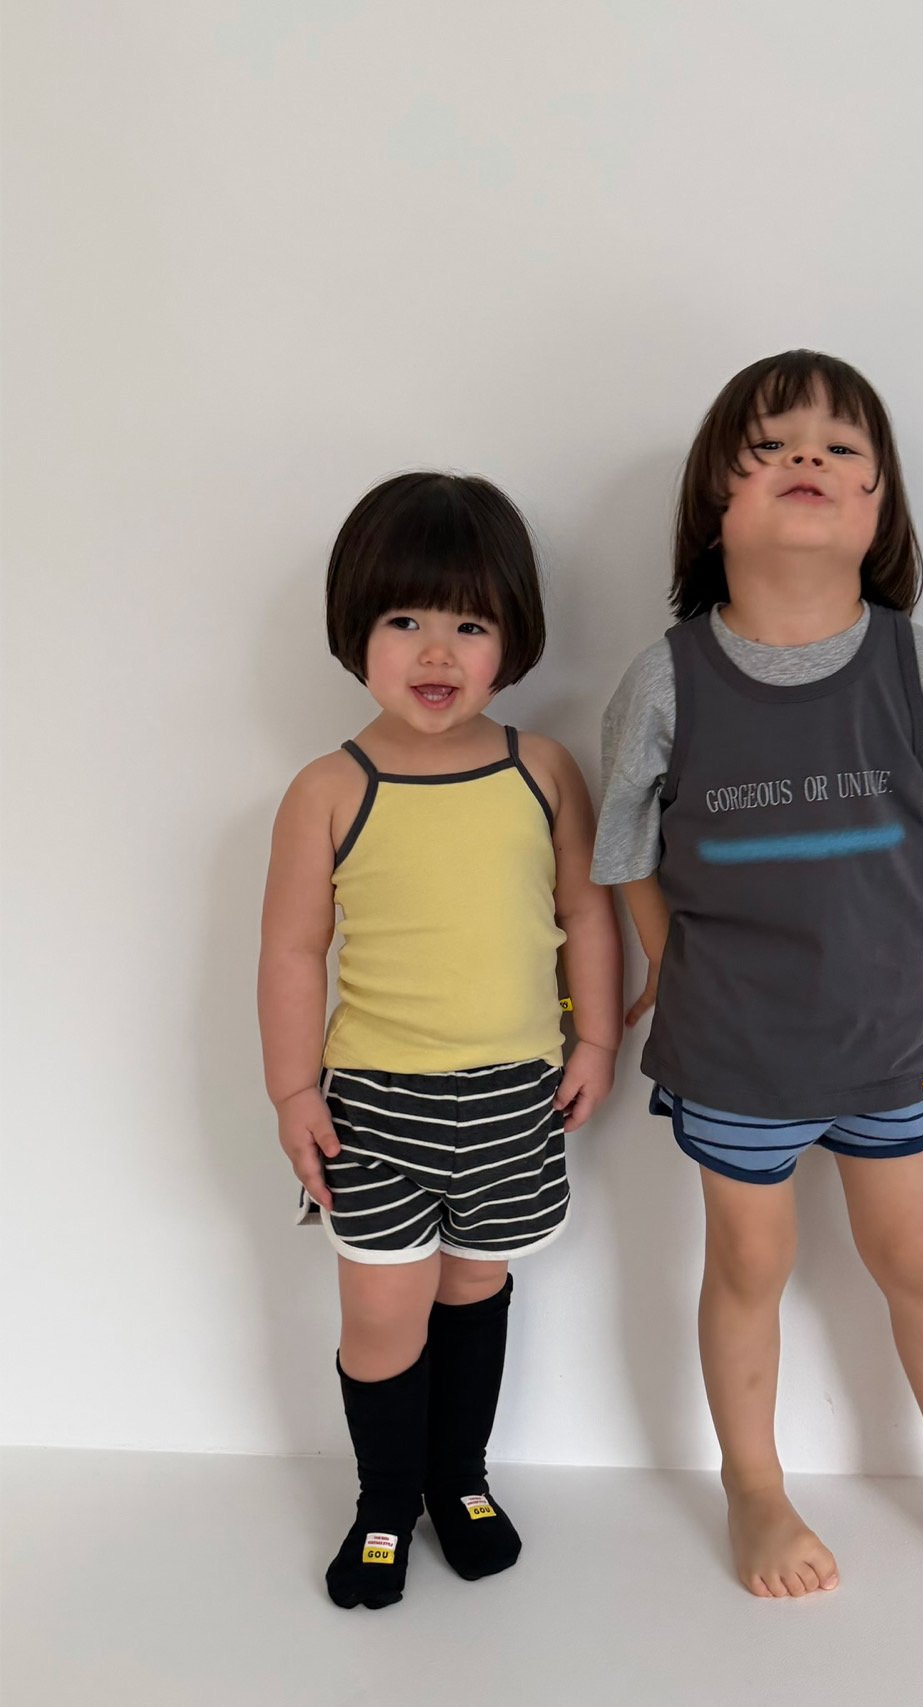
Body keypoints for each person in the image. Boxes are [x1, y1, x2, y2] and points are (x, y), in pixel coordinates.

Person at [592, 350, 923, 1615]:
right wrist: (663, 965)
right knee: (745, 1269)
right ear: (713, 506)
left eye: (839, 448)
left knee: (916, 1261)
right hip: (730, 1055)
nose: (806, 457)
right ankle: (753, 1484)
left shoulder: (916, 668)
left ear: (877, 508)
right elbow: (623, 846)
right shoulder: (667, 676)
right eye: (769, 446)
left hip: (885, 1044)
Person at [259, 472, 622, 1609]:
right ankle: (383, 1502)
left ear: (511, 640)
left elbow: (585, 914)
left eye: (469, 624)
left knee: (475, 1290)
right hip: (374, 1107)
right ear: (354, 631)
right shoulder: (328, 788)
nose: (435, 650)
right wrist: (291, 1092)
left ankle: (457, 1480)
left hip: (515, 1097)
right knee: (381, 1312)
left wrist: (595, 1042)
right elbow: (291, 952)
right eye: (404, 618)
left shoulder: (540, 770)